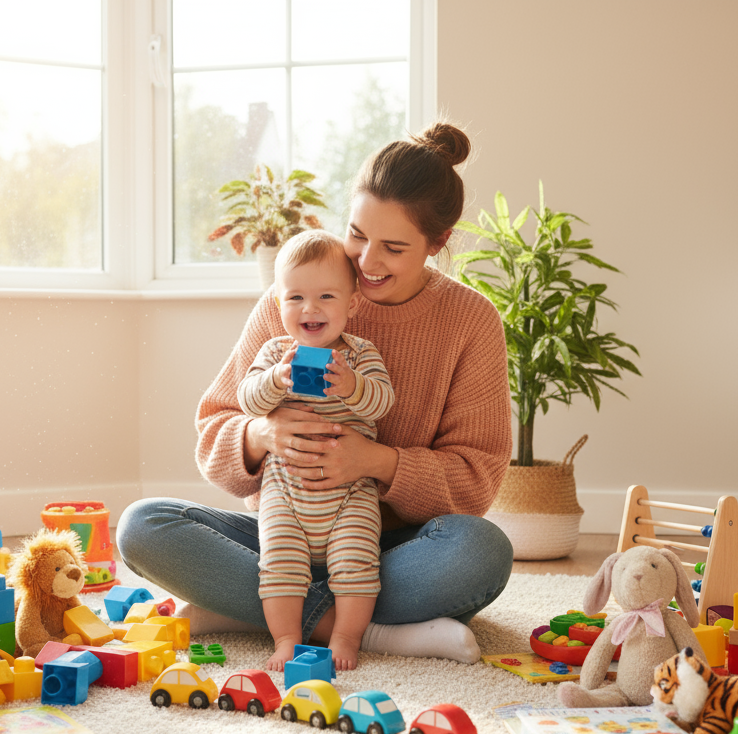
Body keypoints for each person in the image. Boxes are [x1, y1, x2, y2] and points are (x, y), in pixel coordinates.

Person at [117, 122, 514, 664]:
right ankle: (367, 631)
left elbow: (476, 480)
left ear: (437, 243)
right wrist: (261, 434)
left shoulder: (471, 321)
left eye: (393, 247)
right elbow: (214, 431)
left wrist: (376, 462)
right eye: (357, 234)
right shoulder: (297, 298)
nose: (366, 262)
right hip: (283, 532)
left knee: (481, 554)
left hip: (388, 547)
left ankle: (254, 609)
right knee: (143, 525)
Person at [239, 229, 395, 671]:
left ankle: (346, 637)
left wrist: (351, 386)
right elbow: (246, 400)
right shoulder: (274, 353)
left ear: (352, 303)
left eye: (326, 296)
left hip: (350, 495)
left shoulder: (362, 355)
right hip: (285, 493)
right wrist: (274, 382)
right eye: (295, 298)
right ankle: (286, 638)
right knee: (279, 565)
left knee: (358, 563)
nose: (310, 309)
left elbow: (383, 403)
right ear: (277, 303)